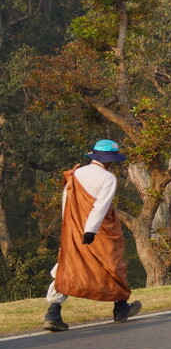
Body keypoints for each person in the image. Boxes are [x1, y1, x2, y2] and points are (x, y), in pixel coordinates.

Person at [43, 139, 141, 331]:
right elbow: (101, 206)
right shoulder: (108, 178)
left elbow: (66, 204)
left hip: (73, 228)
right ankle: (120, 308)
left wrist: (70, 228)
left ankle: (53, 312)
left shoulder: (76, 174)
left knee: (68, 267)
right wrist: (91, 231)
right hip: (99, 232)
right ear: (110, 160)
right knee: (113, 265)